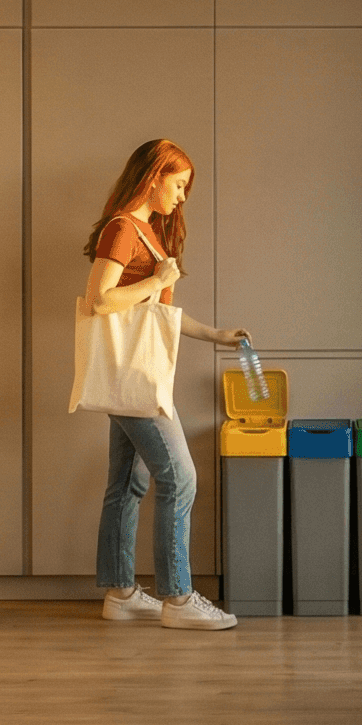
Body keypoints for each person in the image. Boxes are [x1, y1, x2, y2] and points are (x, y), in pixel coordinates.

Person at [82, 139, 250, 631]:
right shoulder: (122, 230)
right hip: (135, 378)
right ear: (153, 177)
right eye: (178, 185)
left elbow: (155, 314)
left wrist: (216, 334)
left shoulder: (146, 233)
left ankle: (121, 594)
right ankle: (177, 598)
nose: (181, 197)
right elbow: (99, 300)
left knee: (127, 483)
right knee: (180, 479)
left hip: (132, 376)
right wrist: (157, 280)